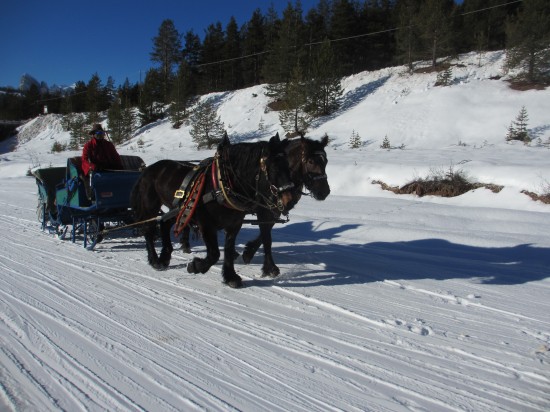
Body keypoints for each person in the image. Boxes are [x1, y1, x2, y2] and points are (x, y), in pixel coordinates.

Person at [81, 124, 123, 199]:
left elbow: (115, 156)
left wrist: (119, 166)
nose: (101, 135)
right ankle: (93, 197)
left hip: (108, 168)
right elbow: (85, 160)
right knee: (93, 181)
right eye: (98, 133)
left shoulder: (108, 145)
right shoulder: (88, 146)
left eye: (102, 133)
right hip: (95, 170)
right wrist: (93, 167)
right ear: (93, 134)